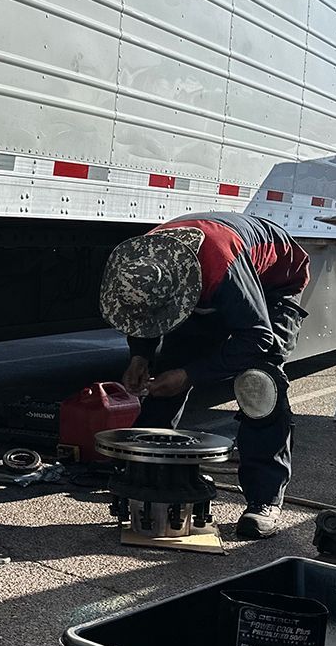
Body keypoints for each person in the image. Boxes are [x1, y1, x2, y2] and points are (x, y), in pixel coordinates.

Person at [98, 212, 311, 539]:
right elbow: (145, 313)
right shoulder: (141, 259)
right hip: (204, 285)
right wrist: (140, 356)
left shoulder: (221, 267)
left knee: (260, 384)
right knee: (165, 376)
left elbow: (257, 336)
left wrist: (189, 375)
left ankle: (264, 500)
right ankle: (142, 474)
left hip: (272, 286)